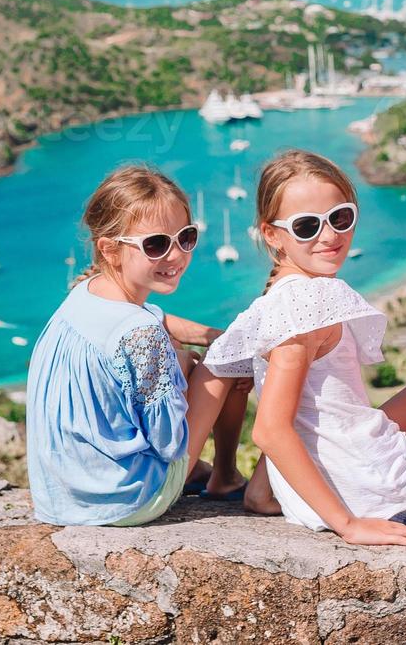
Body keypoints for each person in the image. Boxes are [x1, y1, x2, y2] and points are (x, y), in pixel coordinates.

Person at [204, 150, 406, 546]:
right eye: (306, 227)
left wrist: (263, 490)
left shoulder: (279, 297)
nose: (330, 236)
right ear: (272, 235)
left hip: (354, 476)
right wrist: (349, 526)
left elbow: (301, 412)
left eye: (340, 218)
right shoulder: (312, 301)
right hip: (380, 496)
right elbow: (270, 430)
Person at [26, 164, 247, 526]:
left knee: (203, 353)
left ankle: (205, 474)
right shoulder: (140, 332)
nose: (175, 255)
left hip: (62, 498)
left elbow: (158, 318)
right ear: (110, 250)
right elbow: (169, 443)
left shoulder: (87, 292)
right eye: (156, 244)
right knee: (224, 363)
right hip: (128, 499)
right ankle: (225, 476)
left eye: (185, 238)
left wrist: (213, 338)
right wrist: (212, 356)